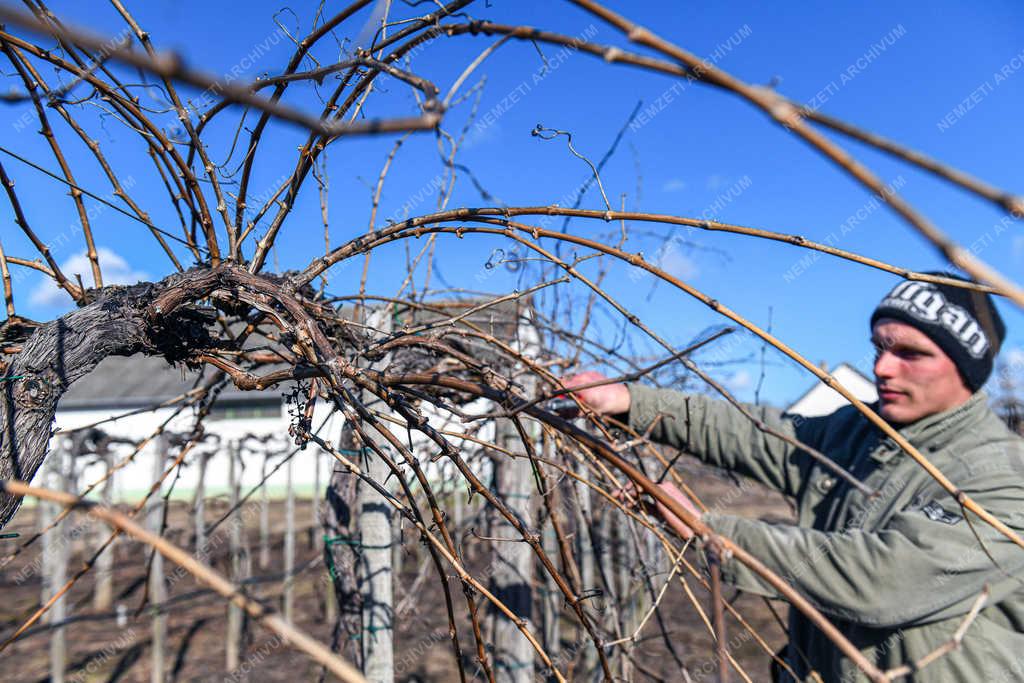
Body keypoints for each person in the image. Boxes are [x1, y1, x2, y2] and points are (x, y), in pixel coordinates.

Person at [566, 276, 1024, 682]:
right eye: (879, 348)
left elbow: (881, 579)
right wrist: (630, 400)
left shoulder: (1003, 475)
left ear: (967, 369)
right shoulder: (859, 431)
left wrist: (716, 532)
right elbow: (757, 434)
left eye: (910, 353)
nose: (882, 368)